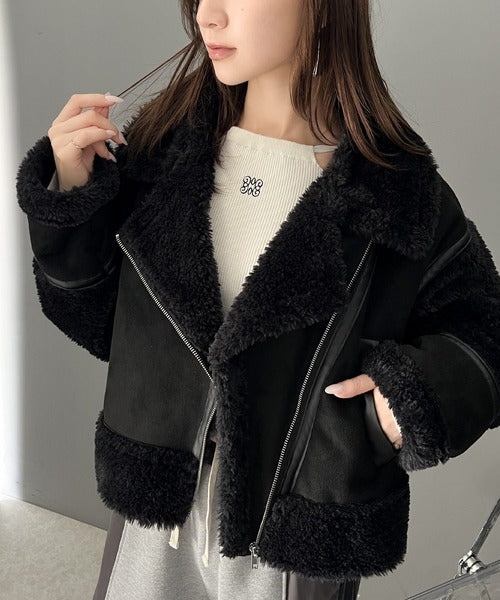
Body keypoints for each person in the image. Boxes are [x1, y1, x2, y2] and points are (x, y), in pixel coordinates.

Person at [16, 0, 500, 598]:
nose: (207, 16)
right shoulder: (163, 152)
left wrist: (401, 408)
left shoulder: (393, 189)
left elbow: (486, 333)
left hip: (293, 531)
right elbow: (98, 321)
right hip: (156, 514)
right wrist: (70, 195)